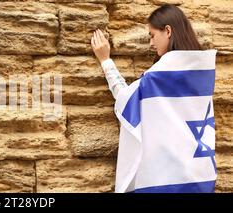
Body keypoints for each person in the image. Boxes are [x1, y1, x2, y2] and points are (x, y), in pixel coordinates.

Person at [91, 4, 217, 193]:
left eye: (152, 35)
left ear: (167, 31)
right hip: (201, 173)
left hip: (168, 179)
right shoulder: (203, 70)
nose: (151, 43)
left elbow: (125, 97)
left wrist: (105, 60)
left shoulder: (160, 74)